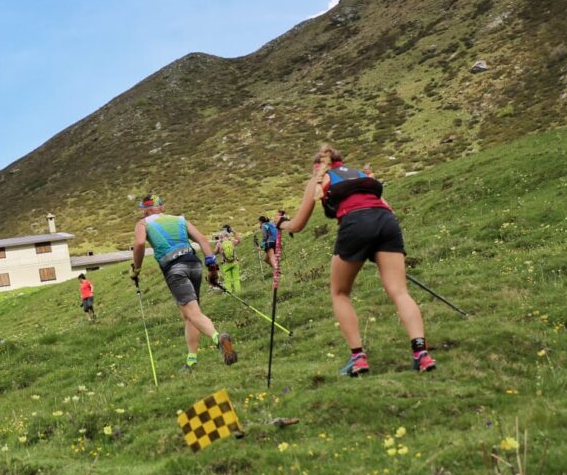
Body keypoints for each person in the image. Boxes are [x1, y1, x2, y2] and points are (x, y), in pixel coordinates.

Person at [275, 144, 436, 376]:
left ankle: (358, 357)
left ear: (317, 166)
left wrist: (281, 225)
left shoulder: (320, 178)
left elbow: (298, 225)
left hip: (355, 223)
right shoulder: (360, 174)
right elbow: (385, 206)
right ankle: (421, 353)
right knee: (399, 291)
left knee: (340, 292)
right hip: (386, 222)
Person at [130, 194, 237, 371]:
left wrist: (137, 270)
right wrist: (212, 268)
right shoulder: (179, 219)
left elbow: (140, 244)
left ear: (144, 211)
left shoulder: (143, 224)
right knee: (189, 314)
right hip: (193, 264)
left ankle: (219, 339)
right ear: (162, 208)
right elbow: (202, 239)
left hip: (174, 268)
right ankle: (191, 360)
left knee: (193, 313)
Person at [215, 226, 242, 294]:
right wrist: (234, 232)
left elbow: (215, 252)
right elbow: (239, 240)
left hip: (225, 263)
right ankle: (238, 292)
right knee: (236, 279)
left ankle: (229, 294)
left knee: (227, 280)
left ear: (220, 237)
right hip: (234, 262)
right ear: (227, 235)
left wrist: (219, 248)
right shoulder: (231, 241)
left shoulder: (219, 243)